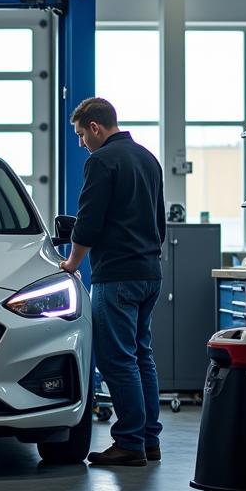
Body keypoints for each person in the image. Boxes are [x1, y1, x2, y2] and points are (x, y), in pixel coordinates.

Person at [58, 97, 166, 467]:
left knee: (117, 360)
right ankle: (149, 439)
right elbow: (159, 220)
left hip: (117, 275)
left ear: (95, 127)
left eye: (80, 135)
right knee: (141, 356)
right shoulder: (147, 158)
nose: (80, 143)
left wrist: (71, 263)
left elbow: (89, 220)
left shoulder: (101, 161)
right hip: (149, 272)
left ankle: (129, 443)